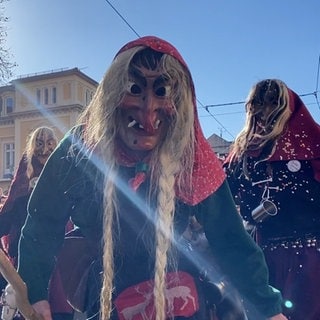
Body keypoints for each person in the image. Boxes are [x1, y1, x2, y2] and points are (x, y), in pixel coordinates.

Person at [17, 37, 287, 320]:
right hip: (106, 296)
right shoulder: (80, 150)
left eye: (163, 92)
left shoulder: (192, 159)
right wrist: (34, 292)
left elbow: (230, 239)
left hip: (179, 296)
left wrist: (267, 307)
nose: (149, 110)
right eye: (134, 89)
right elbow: (42, 224)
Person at [224, 79, 320, 320]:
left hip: (312, 261)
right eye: (258, 102)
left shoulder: (313, 145)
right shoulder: (243, 152)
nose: (265, 110)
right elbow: (218, 193)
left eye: (273, 102)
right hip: (264, 260)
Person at [0, 126, 74, 320]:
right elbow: (10, 209)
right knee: (28, 303)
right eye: (39, 144)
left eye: (49, 144)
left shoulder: (62, 172)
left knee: (58, 302)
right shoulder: (24, 176)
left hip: (58, 251)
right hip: (27, 250)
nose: (44, 150)